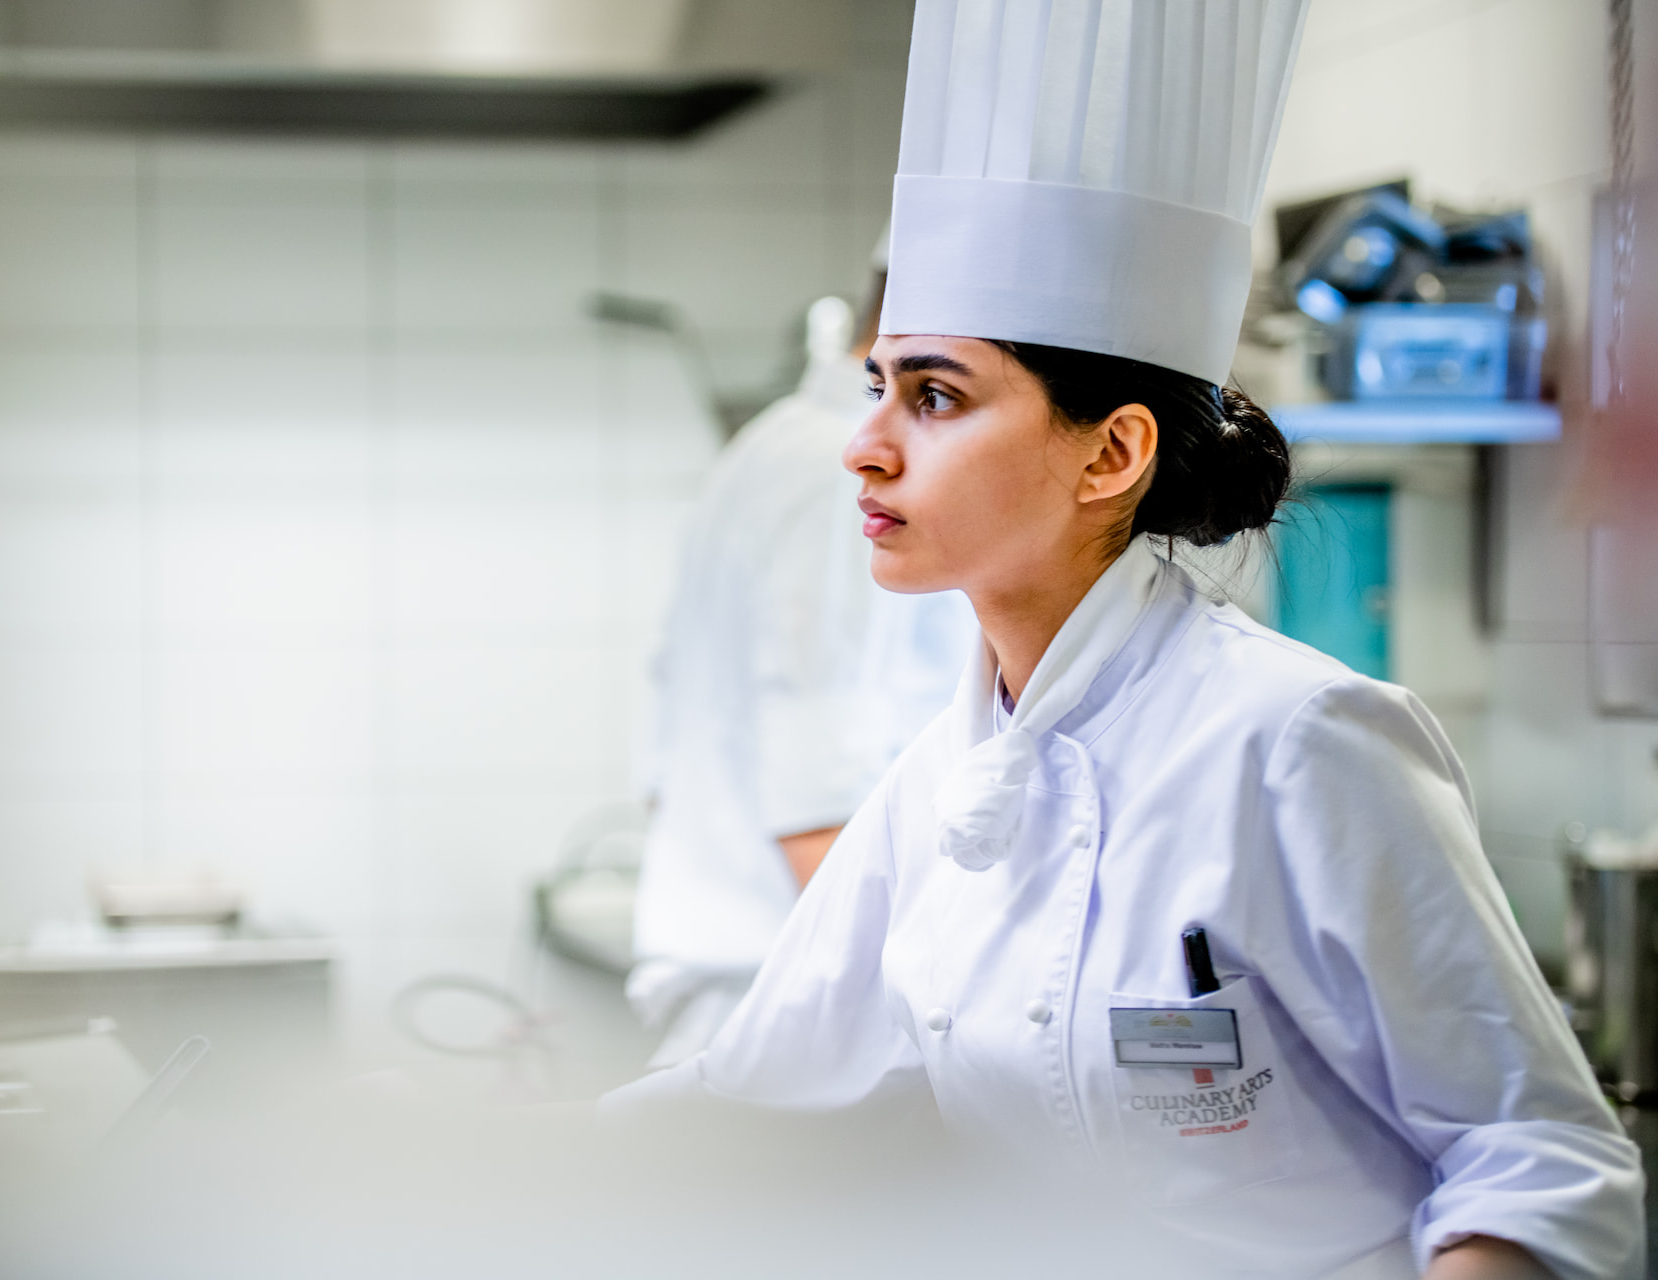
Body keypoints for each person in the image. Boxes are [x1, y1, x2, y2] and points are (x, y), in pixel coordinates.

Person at [606, 3, 1645, 1278]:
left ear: (1114, 450)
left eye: (935, 395)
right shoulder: (944, 780)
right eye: (878, 386)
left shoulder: (1295, 738)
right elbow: (752, 1085)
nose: (864, 443)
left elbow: (1536, 1155)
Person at [629, 260, 976, 1069]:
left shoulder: (774, 440)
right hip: (807, 1002)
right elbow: (814, 788)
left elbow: (664, 750)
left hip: (757, 983)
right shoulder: (845, 472)